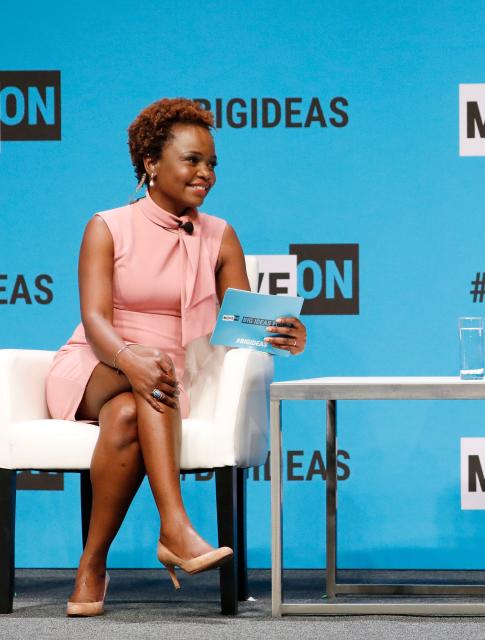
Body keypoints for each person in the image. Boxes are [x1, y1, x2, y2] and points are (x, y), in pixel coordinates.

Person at [45, 98, 308, 617]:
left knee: (130, 409)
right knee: (143, 379)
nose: (205, 174)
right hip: (96, 363)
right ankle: (175, 528)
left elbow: (239, 327)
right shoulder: (107, 226)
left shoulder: (220, 234)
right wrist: (128, 357)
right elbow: (96, 320)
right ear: (150, 163)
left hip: (162, 384)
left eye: (211, 164)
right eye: (192, 161)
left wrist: (280, 333)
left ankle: (91, 565)